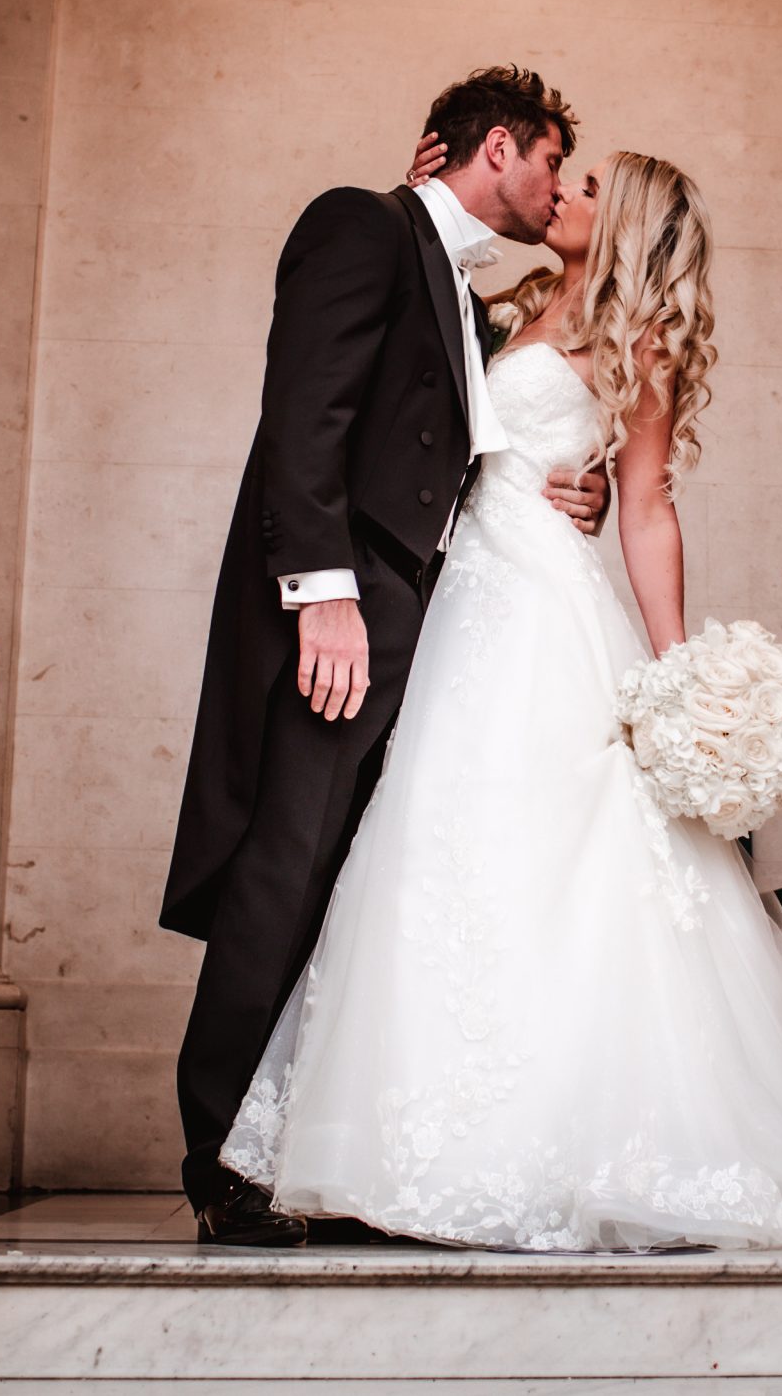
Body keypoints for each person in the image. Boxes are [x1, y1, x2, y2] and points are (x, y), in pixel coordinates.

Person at [216, 139, 782, 1252]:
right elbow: (421, 408)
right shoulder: (510, 301)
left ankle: (550, 1149)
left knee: (546, 856)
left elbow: (649, 504)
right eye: (560, 176)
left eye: (580, 188)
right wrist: (424, 188)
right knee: (433, 845)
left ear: (619, 222)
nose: (559, 194)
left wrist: (676, 677)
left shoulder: (641, 340)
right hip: (457, 598)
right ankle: (407, 1146)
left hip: (540, 610)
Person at [168, 67, 610, 1246]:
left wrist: (586, 487)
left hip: (433, 618)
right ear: (501, 149)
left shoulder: (469, 304)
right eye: (554, 163)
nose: (560, 188)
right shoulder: (360, 224)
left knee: (353, 886)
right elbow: (301, 417)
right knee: (287, 862)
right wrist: (322, 598)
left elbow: (469, 455)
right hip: (346, 608)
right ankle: (219, 1157)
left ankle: (315, 1151)